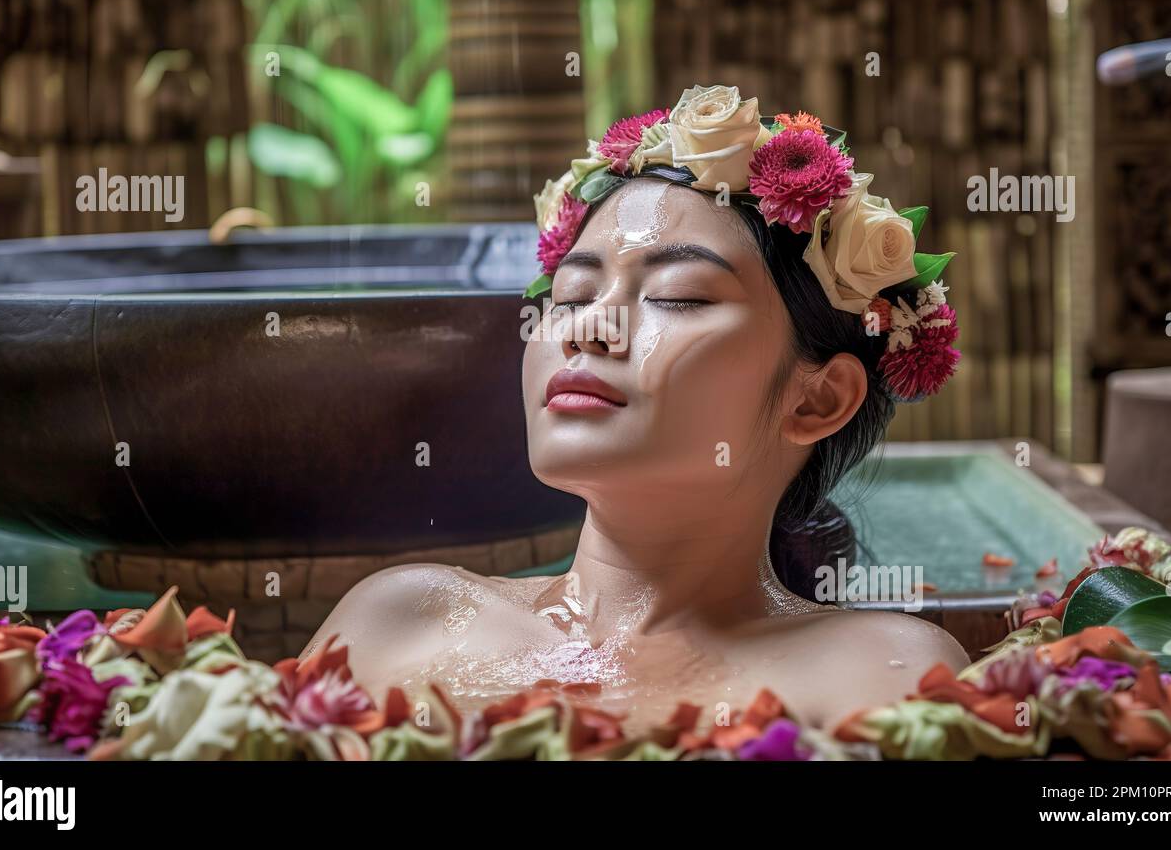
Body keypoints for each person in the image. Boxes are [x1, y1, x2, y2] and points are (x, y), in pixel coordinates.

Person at [306, 85, 969, 731]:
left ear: (819, 399)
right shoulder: (395, 622)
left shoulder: (878, 675)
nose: (589, 328)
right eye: (571, 294)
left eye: (678, 295)